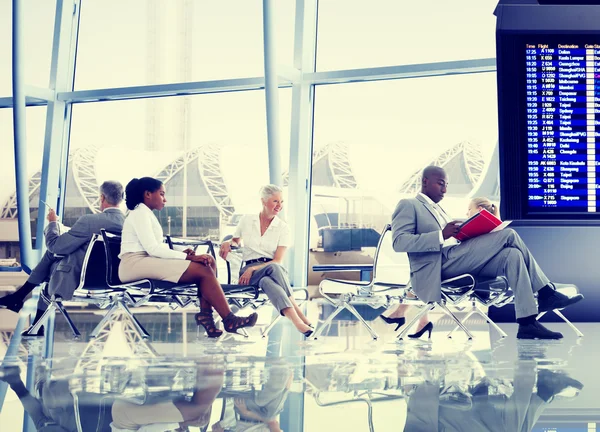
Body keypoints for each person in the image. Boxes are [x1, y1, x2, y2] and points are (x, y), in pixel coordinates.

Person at [390, 165, 583, 340]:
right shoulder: (408, 204)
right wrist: (440, 235)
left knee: (512, 256)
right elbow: (399, 242)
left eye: (446, 185)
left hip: (456, 257)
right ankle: (546, 292)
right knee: (509, 235)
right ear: (425, 182)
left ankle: (527, 323)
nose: (445, 189)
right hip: (437, 266)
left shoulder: (439, 209)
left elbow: (451, 238)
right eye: (441, 184)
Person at [118, 177, 257, 338]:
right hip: (134, 264)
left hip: (144, 260)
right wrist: (188, 258)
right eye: (162, 194)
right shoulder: (140, 213)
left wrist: (184, 253)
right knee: (203, 270)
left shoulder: (145, 214)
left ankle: (207, 316)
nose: (165, 199)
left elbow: (155, 247)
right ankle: (228, 319)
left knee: (208, 261)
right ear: (148, 194)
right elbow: (152, 248)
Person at [0, 181, 125, 334]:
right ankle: (20, 301)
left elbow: (56, 246)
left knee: (52, 255)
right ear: (122, 197)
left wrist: (53, 223)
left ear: (102, 197)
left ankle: (20, 299)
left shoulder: (90, 222)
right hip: (114, 281)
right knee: (58, 255)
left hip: (80, 278)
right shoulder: (129, 224)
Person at [381, 196, 502, 338]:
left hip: (465, 275)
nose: (466, 214)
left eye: (469, 210)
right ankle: (418, 320)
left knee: (420, 278)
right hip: (477, 275)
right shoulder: (493, 232)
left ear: (479, 210)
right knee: (420, 277)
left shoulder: (485, 234)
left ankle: (406, 316)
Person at [218, 184, 312, 336]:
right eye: (275, 201)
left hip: (268, 270)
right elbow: (236, 241)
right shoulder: (247, 220)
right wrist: (228, 242)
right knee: (273, 269)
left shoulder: (283, 228)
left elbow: (277, 260)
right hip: (248, 274)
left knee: (266, 281)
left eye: (281, 202)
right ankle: (297, 310)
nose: (279, 206)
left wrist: (253, 269)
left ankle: (297, 322)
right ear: (264, 201)